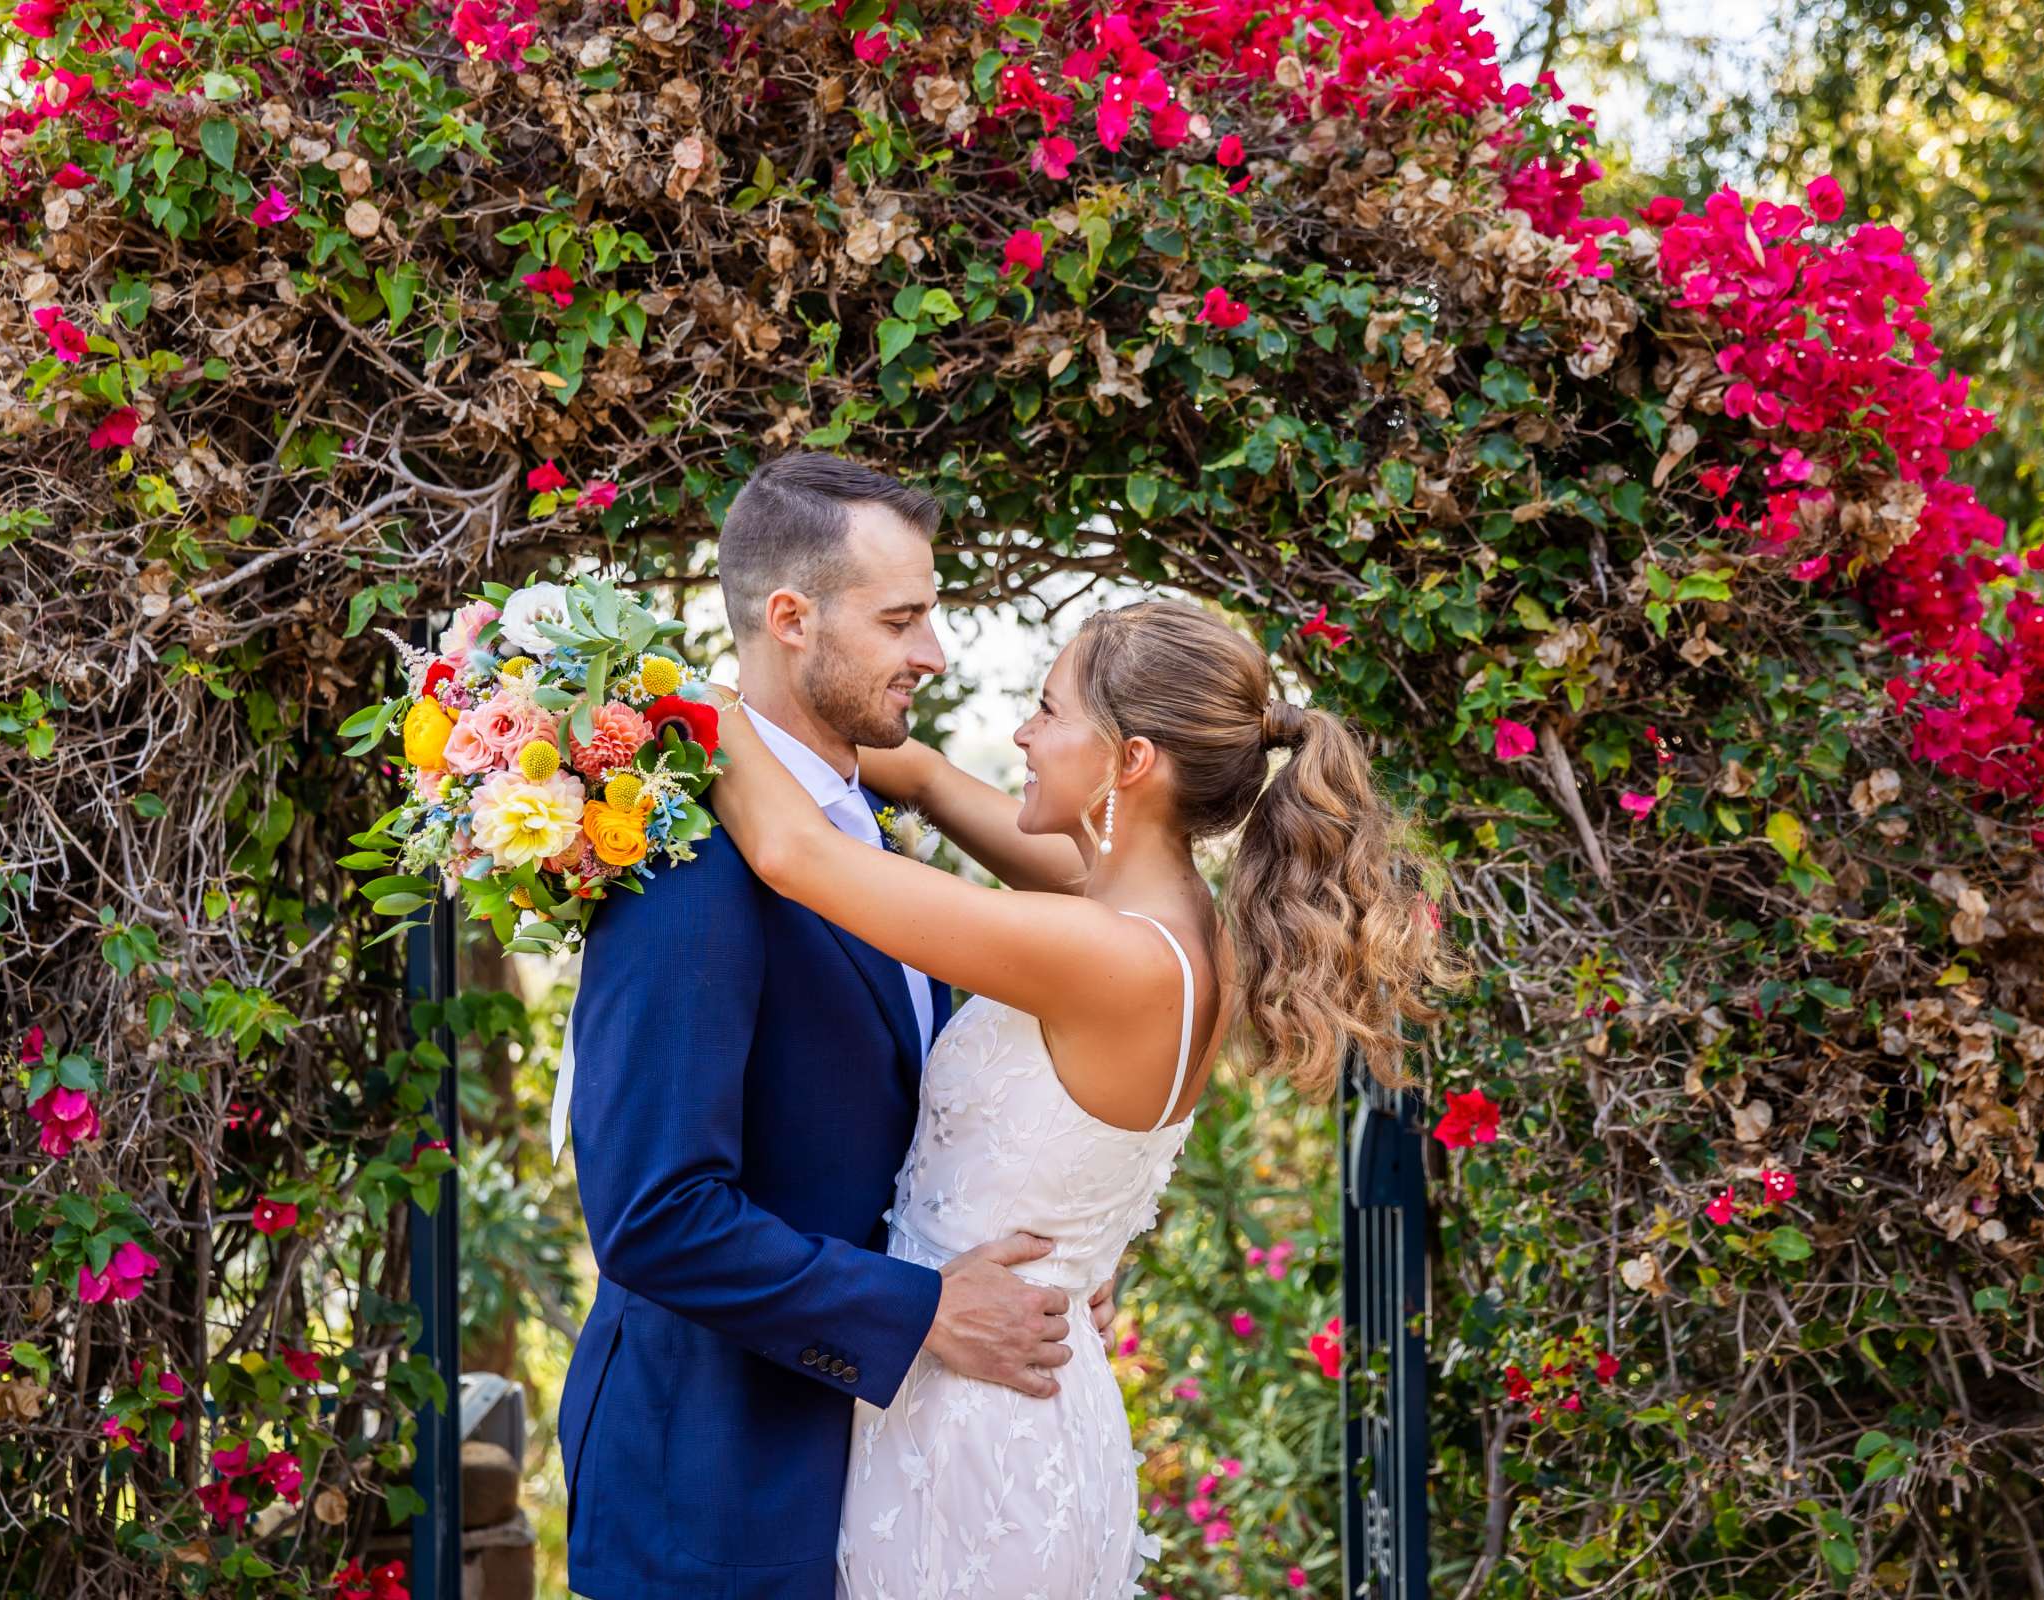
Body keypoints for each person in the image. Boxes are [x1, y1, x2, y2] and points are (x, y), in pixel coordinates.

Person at [707, 597, 1463, 1599]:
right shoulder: (1162, 916)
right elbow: (928, 777)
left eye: (1049, 710)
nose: (1023, 731)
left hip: (979, 1432)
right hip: (1000, 1391)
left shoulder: (1106, 953)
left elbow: (795, 855)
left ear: (1131, 760)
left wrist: (663, 696)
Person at [556, 452, 1116, 1600]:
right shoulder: (688, 861)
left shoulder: (863, 833)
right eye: (903, 618)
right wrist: (923, 1312)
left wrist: (1043, 1257)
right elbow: (657, 1216)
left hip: (878, 1480)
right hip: (720, 1487)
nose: (934, 653)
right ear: (791, 618)